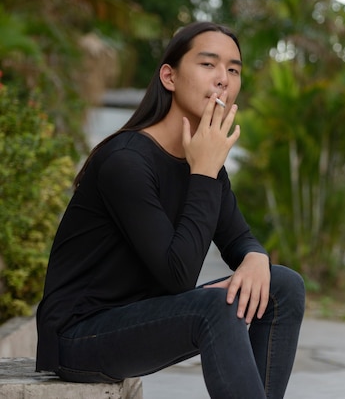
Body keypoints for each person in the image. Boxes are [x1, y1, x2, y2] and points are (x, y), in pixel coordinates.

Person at [35, 21, 306, 399]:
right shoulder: (126, 161)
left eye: (233, 69)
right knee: (214, 308)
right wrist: (204, 173)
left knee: (285, 285)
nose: (223, 79)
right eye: (208, 64)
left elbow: (239, 239)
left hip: (140, 318)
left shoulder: (204, 160)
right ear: (169, 76)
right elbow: (178, 274)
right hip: (80, 336)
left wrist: (256, 256)